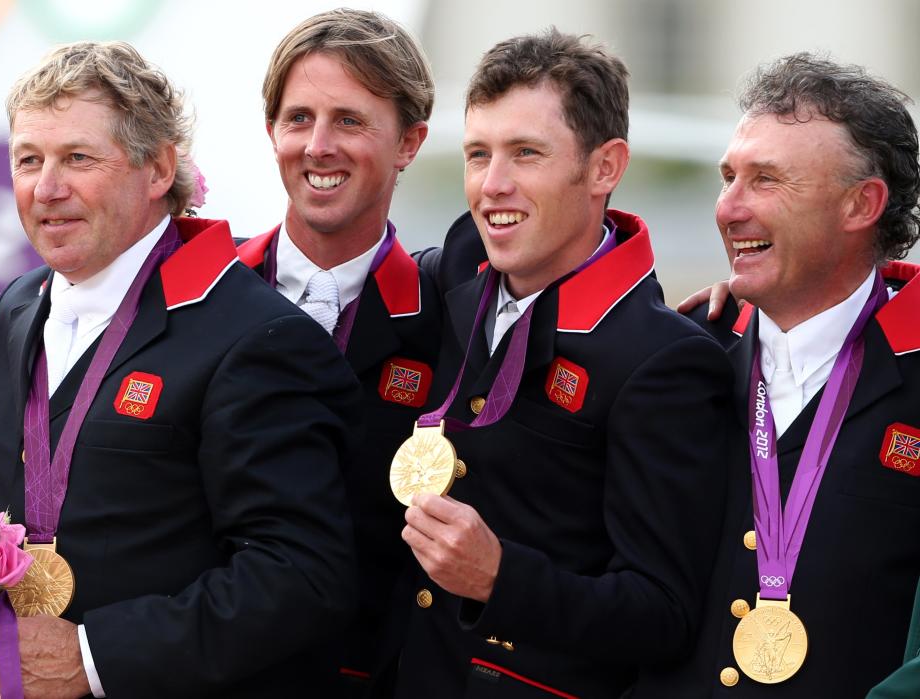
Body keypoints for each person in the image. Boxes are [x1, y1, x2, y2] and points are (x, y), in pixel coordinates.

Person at [0, 41, 361, 698]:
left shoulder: (256, 336)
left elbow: (303, 574)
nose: (48, 187)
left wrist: (93, 658)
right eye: (28, 160)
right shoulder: (15, 306)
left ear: (158, 168)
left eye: (78, 158)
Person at [393, 29, 733, 699]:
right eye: (478, 154)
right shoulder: (454, 274)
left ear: (605, 167)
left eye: (526, 154)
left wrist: (500, 578)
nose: (492, 185)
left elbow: (663, 614)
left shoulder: (665, 359)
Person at [633, 53, 920, 698]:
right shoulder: (678, 356)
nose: (727, 208)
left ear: (861, 204)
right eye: (727, 176)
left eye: (765, 180)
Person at [235, 9, 445, 694]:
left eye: (349, 121)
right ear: (272, 132)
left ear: (409, 141)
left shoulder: (452, 318)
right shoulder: (203, 296)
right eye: (298, 119)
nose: (318, 145)